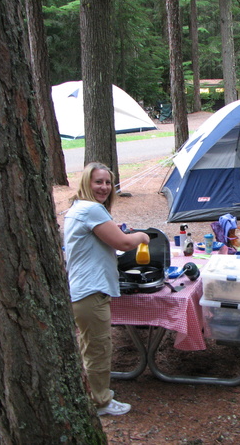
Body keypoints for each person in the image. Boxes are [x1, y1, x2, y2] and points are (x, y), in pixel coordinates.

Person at [64, 162, 149, 416]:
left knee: (90, 347)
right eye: (97, 181)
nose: (104, 187)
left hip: (83, 289)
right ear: (86, 183)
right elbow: (123, 243)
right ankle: (100, 403)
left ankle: (87, 396)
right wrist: (142, 237)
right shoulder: (91, 209)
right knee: (99, 350)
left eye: (107, 182)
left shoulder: (79, 208)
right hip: (90, 291)